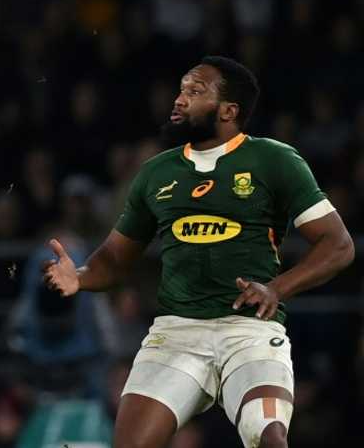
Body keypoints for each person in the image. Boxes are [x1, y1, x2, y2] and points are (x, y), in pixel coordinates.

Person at [43, 56, 355, 448]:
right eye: (180, 89)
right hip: (176, 333)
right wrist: (81, 277)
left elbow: (338, 245)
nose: (179, 99)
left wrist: (278, 288)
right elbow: (114, 260)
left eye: (195, 91)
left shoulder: (275, 160)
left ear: (229, 110)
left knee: (268, 436)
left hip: (249, 332)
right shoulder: (156, 172)